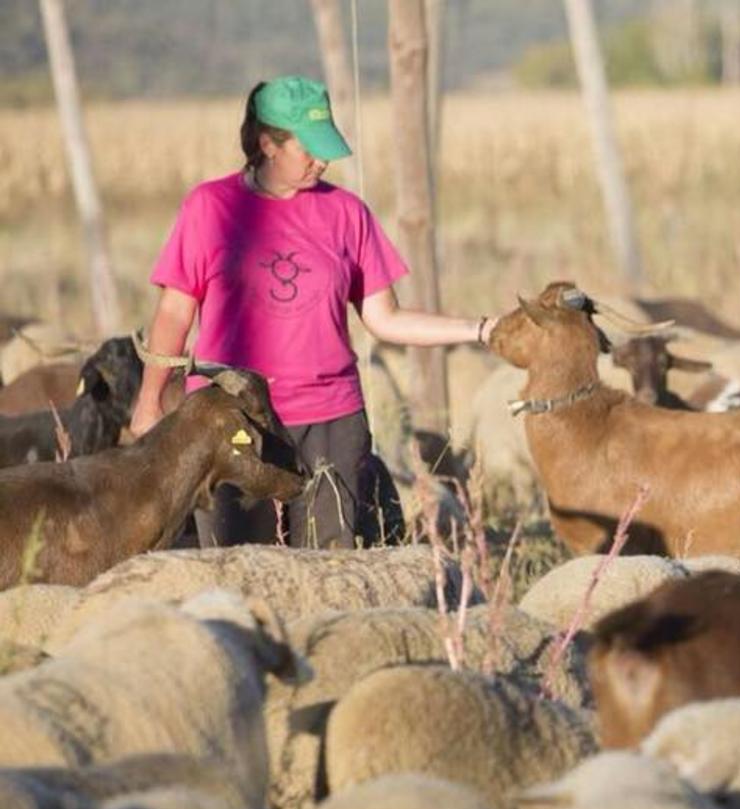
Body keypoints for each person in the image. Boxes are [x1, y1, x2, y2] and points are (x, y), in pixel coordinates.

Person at [129, 74, 496, 549]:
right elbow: (174, 315)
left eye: (326, 148)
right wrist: (149, 401)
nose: (322, 161)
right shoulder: (209, 207)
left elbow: (385, 318)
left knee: (330, 564)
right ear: (268, 144)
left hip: (330, 421)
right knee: (235, 566)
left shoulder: (347, 213)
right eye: (309, 149)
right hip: (230, 419)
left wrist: (480, 329)